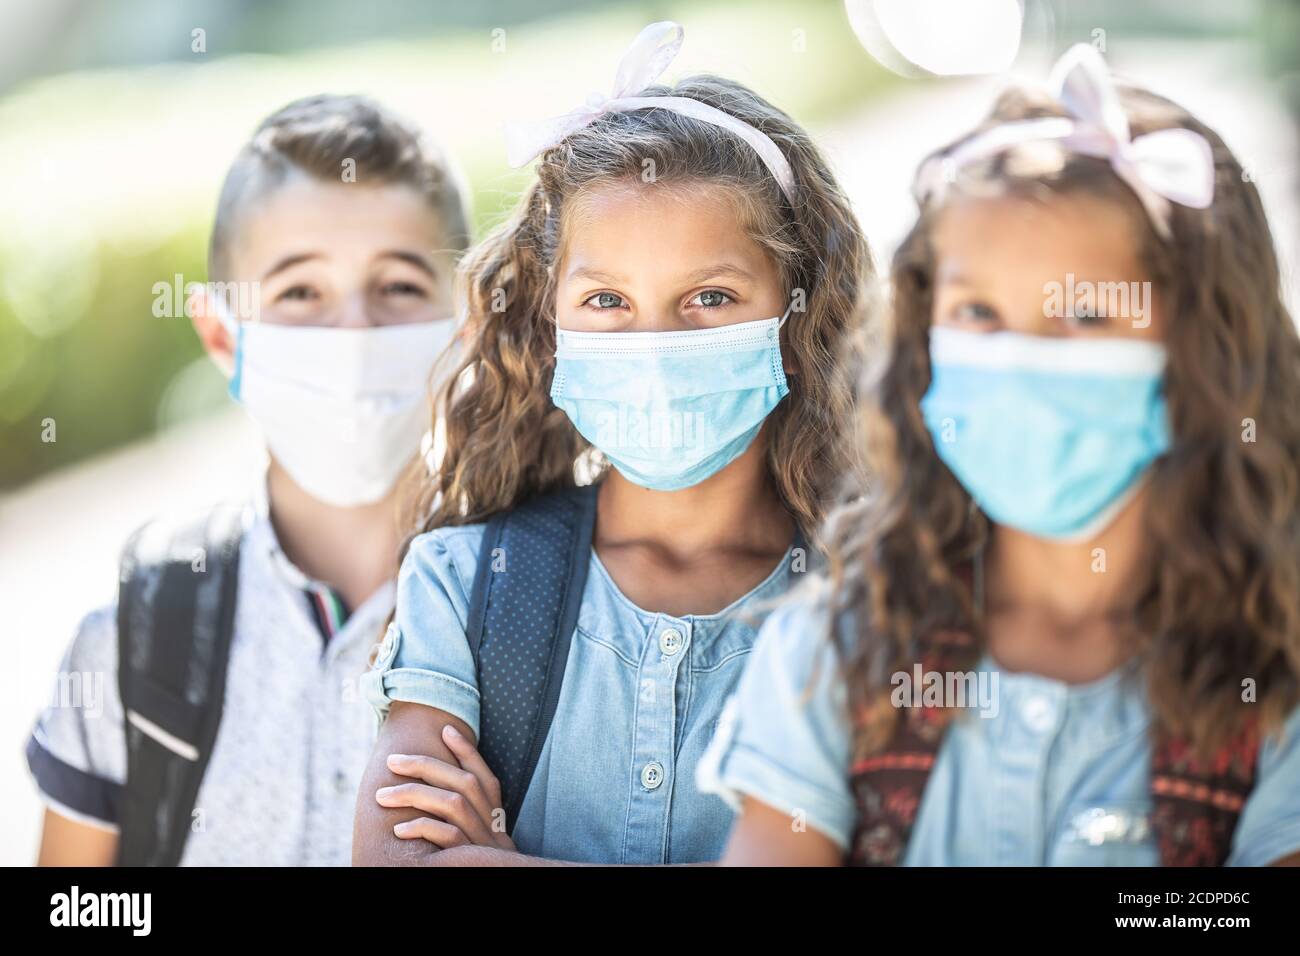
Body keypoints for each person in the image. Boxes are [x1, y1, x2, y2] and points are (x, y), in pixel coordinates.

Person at [701, 44, 1300, 866]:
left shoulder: (1275, 681)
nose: (1019, 358)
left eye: (1085, 317)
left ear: (1203, 353)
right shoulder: (834, 653)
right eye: (978, 312)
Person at [351, 21, 872, 866]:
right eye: (607, 301)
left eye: (709, 296)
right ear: (550, 319)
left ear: (796, 312)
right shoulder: (468, 584)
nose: (655, 342)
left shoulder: (872, 604)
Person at [27, 93, 471, 866]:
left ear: (465, 327)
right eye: (300, 292)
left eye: (399, 286)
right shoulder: (133, 640)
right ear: (222, 336)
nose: (354, 334)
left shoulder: (550, 610)